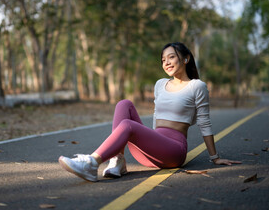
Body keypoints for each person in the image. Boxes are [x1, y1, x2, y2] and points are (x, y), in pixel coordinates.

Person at [58, 42, 241, 182]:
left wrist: (215, 158)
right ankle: (117, 161)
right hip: (152, 152)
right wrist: (150, 140)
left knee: (128, 125)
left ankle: (91, 163)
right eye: (163, 59)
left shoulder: (196, 86)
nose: (166, 62)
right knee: (124, 104)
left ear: (186, 59)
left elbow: (204, 122)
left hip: (173, 151)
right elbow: (156, 115)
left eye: (171, 57)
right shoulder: (160, 84)